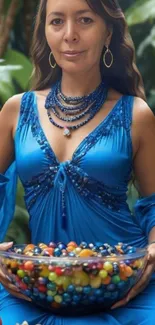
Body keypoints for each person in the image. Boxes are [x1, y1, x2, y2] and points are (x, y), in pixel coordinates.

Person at [0, 0, 155, 324]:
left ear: (108, 32)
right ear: (45, 31)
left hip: (125, 287)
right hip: (37, 286)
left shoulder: (136, 114)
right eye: (57, 21)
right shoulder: (16, 111)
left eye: (85, 20)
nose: (70, 35)